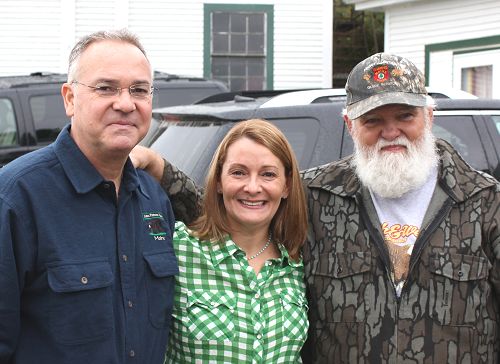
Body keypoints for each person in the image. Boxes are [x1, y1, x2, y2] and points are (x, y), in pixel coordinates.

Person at [131, 53, 500, 363]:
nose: (391, 131)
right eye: (373, 120)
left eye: (405, 116)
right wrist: (160, 168)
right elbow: (234, 212)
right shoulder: (319, 194)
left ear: (430, 117)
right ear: (350, 125)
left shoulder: (486, 204)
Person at [0, 29, 177, 364]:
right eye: (105, 88)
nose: (125, 103)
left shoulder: (154, 199)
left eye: (139, 90)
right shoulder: (17, 198)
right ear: (69, 98)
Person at [162, 118, 309, 363]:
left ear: (286, 186)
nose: (252, 187)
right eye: (238, 172)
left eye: (268, 174)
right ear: (219, 181)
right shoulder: (179, 249)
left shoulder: (298, 264)